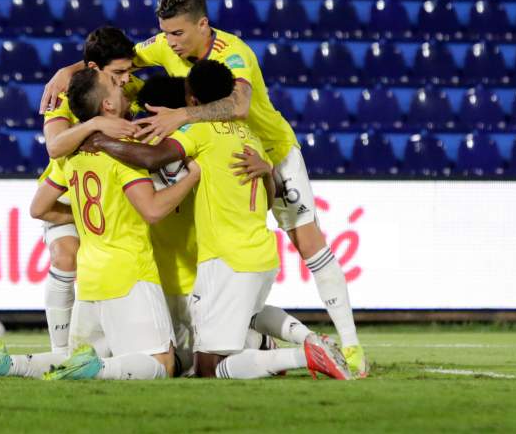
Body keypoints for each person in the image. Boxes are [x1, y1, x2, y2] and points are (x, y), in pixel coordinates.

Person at [41, 0, 369, 377]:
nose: (169, 42)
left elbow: (239, 105)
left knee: (307, 241)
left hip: (271, 150)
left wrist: (179, 117)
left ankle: (350, 347)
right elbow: (115, 62)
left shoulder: (233, 53)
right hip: (217, 153)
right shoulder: (164, 46)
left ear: (203, 24)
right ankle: (272, 341)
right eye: (165, 33)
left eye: (177, 34)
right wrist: (68, 70)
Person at [86, 60, 350, 380]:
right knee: (248, 317)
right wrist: (267, 171)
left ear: (193, 101)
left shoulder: (200, 130)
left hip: (225, 258)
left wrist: (100, 140)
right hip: (262, 253)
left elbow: (150, 157)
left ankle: (301, 354)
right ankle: (297, 342)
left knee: (207, 368)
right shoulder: (250, 135)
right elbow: (271, 198)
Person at [0, 68, 199, 381]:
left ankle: (10, 363)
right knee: (162, 364)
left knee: (72, 358)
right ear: (108, 107)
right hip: (129, 273)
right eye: (114, 83)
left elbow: (39, 207)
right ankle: (99, 370)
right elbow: (153, 210)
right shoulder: (126, 148)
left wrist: (95, 214)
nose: (123, 83)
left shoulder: (73, 150)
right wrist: (193, 177)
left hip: (89, 277)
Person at [35, 26, 139, 354]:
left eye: (129, 71)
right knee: (66, 255)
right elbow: (54, 146)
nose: (125, 79)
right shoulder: (64, 97)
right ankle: (60, 352)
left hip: (113, 195)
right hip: (68, 192)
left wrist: (67, 68)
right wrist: (94, 124)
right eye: (118, 72)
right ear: (95, 69)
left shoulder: (131, 86)